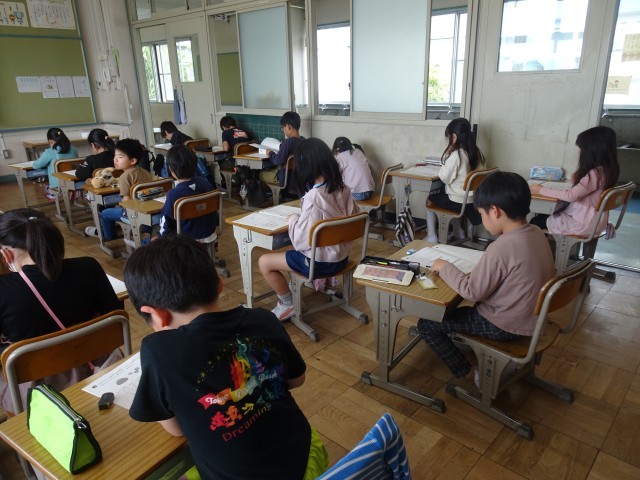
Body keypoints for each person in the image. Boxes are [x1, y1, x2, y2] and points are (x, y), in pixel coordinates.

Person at [125, 236, 329, 480]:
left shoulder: (159, 351)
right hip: (308, 458)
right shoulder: (263, 318)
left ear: (156, 315)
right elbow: (297, 379)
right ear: (219, 284)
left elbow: (176, 430)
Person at [417, 172, 555, 384]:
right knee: (456, 313)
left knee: (426, 324)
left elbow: (472, 292)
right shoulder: (536, 232)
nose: (482, 218)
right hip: (533, 318)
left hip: (503, 325)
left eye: (481, 213)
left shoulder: (502, 247)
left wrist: (444, 267)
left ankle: (468, 373)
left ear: (494, 211)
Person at [0, 209, 120, 413]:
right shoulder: (89, 267)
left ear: (6, 254)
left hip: (36, 388)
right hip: (100, 367)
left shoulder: (3, 290)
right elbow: (116, 321)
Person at [258, 138, 359, 321]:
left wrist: (293, 219)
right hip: (342, 258)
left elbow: (300, 240)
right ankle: (299, 287)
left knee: (264, 261)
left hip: (320, 263)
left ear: (305, 166)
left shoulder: (313, 198)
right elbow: (354, 218)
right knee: (291, 253)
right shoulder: (343, 189)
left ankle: (288, 304)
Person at [530, 126, 620, 237]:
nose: (579, 152)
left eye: (582, 148)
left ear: (593, 151)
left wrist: (540, 190)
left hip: (583, 224)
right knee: (544, 215)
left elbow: (571, 196)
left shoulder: (595, 174)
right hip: (596, 221)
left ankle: (539, 247)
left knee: (535, 221)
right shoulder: (608, 170)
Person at [425, 118, 485, 243]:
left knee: (430, 199)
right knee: (446, 193)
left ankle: (431, 236)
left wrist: (448, 156)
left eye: (448, 137)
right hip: (471, 201)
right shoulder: (476, 152)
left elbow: (444, 177)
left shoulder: (457, 155)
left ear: (454, 137)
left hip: (458, 201)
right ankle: (458, 231)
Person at [85, 139, 157, 242]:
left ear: (132, 161)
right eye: (115, 156)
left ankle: (108, 235)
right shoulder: (144, 171)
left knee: (105, 213)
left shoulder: (125, 177)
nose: (115, 160)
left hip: (134, 214)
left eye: (120, 157)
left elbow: (126, 203)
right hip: (148, 211)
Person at [158, 144, 218, 239]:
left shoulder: (173, 194)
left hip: (186, 241)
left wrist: (160, 239)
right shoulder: (205, 183)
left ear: (170, 169)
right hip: (210, 234)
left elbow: (166, 224)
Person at [259, 111, 305, 187]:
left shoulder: (288, 142)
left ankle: (271, 193)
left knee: (260, 174)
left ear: (288, 126)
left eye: (283, 127)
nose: (283, 130)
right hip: (299, 178)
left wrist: (270, 152)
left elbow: (278, 161)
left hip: (286, 178)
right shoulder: (304, 141)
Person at [32, 127, 79, 200]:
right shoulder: (73, 149)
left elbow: (36, 165)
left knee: (46, 186)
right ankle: (71, 192)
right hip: (73, 180)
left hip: (57, 184)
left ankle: (53, 194)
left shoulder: (50, 152)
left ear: (50, 141)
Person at [333, 137, 375, 201]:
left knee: (334, 195)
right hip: (370, 191)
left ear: (337, 149)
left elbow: (335, 177)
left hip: (358, 194)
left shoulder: (340, 157)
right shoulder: (358, 151)